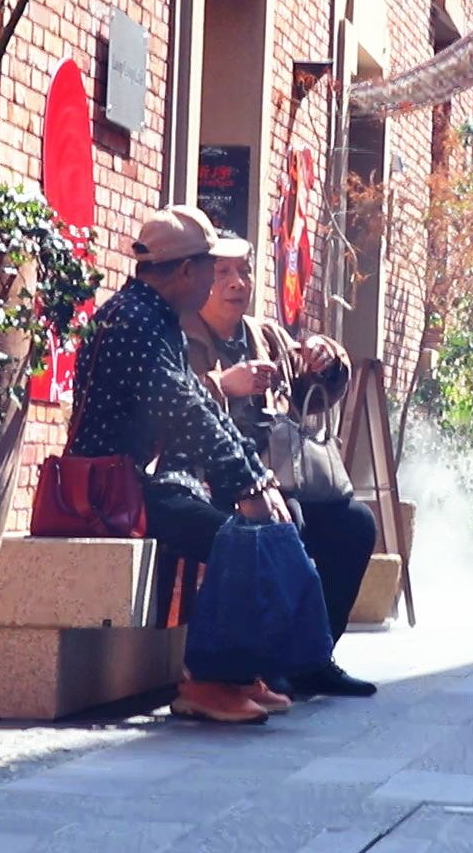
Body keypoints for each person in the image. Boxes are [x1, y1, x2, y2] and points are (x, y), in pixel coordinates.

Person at [69, 205, 305, 724]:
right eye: (210, 269)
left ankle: (238, 674)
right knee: (233, 537)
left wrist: (258, 478)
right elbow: (184, 411)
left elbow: (200, 406)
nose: (215, 282)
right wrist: (245, 483)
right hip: (103, 494)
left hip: (130, 484)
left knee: (268, 520)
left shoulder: (155, 319)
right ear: (184, 271)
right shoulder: (133, 324)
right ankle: (209, 681)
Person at [179, 246, 378, 699]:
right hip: (218, 483)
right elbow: (171, 407)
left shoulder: (265, 335)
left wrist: (327, 359)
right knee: (288, 520)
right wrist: (223, 385)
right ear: (200, 278)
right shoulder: (182, 337)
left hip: (283, 476)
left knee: (355, 523)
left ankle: (315, 658)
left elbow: (315, 394)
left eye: (244, 272)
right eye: (223, 272)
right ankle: (271, 664)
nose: (236, 283)